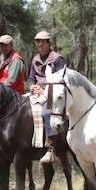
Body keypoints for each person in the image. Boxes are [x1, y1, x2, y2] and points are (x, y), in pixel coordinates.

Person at [28, 31, 66, 164]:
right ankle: (28, 143)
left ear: (48, 43)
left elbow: (62, 80)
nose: (39, 44)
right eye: (37, 41)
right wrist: (32, 86)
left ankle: (51, 148)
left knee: (45, 112)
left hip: (52, 94)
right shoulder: (35, 59)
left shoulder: (57, 59)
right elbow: (31, 77)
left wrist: (44, 90)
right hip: (36, 92)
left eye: (42, 41)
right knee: (19, 109)